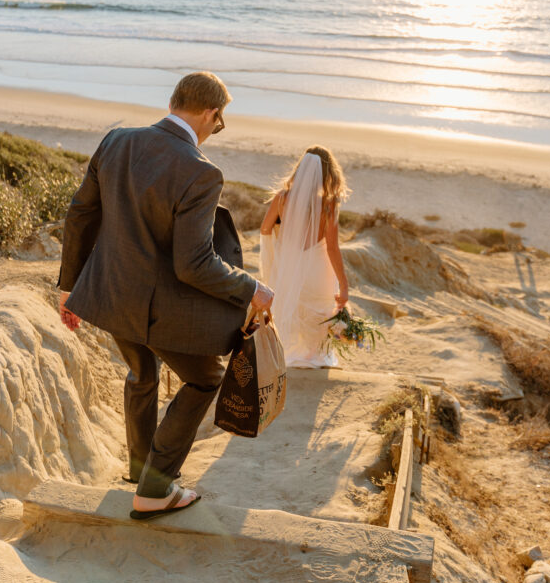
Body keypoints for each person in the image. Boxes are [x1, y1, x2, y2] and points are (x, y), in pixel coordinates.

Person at [58, 71, 273, 519]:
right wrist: (251, 287)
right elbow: (192, 264)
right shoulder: (201, 172)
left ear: (175, 101)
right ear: (212, 113)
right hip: (155, 309)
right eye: (219, 123)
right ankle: (156, 488)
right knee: (206, 378)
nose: (216, 131)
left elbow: (80, 214)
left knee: (141, 372)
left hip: (110, 296)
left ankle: (140, 469)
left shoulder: (116, 141)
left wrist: (68, 286)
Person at [259, 146, 349, 368]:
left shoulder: (281, 198)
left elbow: (264, 229)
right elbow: (332, 248)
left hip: (290, 265)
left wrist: (282, 246)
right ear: (329, 174)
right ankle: (313, 356)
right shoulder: (329, 204)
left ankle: (291, 354)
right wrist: (344, 286)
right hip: (318, 266)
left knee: (294, 306)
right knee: (318, 310)